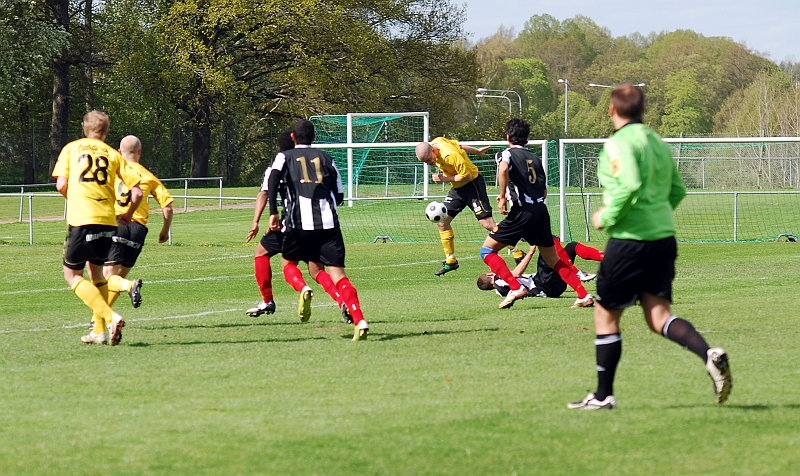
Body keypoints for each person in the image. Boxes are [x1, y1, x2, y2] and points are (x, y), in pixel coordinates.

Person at [568, 84, 731, 410]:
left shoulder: (618, 143)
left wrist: (607, 216)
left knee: (605, 316)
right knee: (659, 317)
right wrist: (656, 214)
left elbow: (628, 183)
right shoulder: (657, 141)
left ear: (612, 110)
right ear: (643, 111)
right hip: (662, 239)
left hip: (630, 241)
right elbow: (678, 189)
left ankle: (603, 396)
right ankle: (708, 354)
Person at [267, 119, 369, 340]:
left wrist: (273, 210)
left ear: (293, 138)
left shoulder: (285, 156)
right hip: (329, 224)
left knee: (288, 265)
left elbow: (274, 178)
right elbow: (339, 195)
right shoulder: (327, 158)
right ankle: (359, 319)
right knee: (339, 275)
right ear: (314, 138)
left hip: (298, 223)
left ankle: (303, 288)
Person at [479, 118, 595, 310]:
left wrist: (501, 197)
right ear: (527, 138)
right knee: (553, 260)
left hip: (522, 211)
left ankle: (515, 287)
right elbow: (544, 190)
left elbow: (504, 168)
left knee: (487, 250)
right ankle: (583, 295)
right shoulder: (535, 158)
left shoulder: (505, 154)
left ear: (508, 136)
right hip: (541, 210)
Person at [52, 110, 144, 346]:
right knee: (98, 277)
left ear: (85, 128)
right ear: (106, 132)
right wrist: (129, 214)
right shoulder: (114, 154)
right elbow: (137, 192)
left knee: (72, 275)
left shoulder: (72, 148)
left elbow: (61, 183)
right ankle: (98, 332)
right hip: (108, 219)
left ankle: (111, 317)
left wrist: (72, 197)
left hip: (82, 218)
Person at [245, 130, 352, 324]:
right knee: (317, 269)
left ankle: (271, 299)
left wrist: (257, 221)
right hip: (316, 225)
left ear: (279, 148)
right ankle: (341, 300)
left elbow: (263, 194)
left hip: (290, 225)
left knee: (262, 253)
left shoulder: (279, 165)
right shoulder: (309, 166)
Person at [96, 135, 173, 327]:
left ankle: (130, 287)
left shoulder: (113, 171)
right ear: (140, 152)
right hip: (139, 229)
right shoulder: (149, 176)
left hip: (118, 223)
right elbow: (168, 207)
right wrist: (165, 231)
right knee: (117, 277)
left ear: (119, 152)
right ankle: (102, 319)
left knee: (108, 277)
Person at [416, 137, 506, 276]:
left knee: (487, 224)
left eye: (429, 160)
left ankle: (518, 252)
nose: (429, 164)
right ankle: (451, 261)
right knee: (442, 222)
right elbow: (460, 145)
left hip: (472, 186)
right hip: (457, 190)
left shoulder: (450, 155)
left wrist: (444, 179)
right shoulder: (438, 141)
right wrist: (476, 151)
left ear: (433, 150)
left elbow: (467, 176)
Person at [477, 239, 604, 299]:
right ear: (489, 275)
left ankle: (604, 257)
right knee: (546, 245)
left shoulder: (501, 289)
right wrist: (531, 252)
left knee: (571, 247)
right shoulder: (499, 281)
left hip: (554, 287)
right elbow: (516, 273)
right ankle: (576, 272)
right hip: (543, 284)